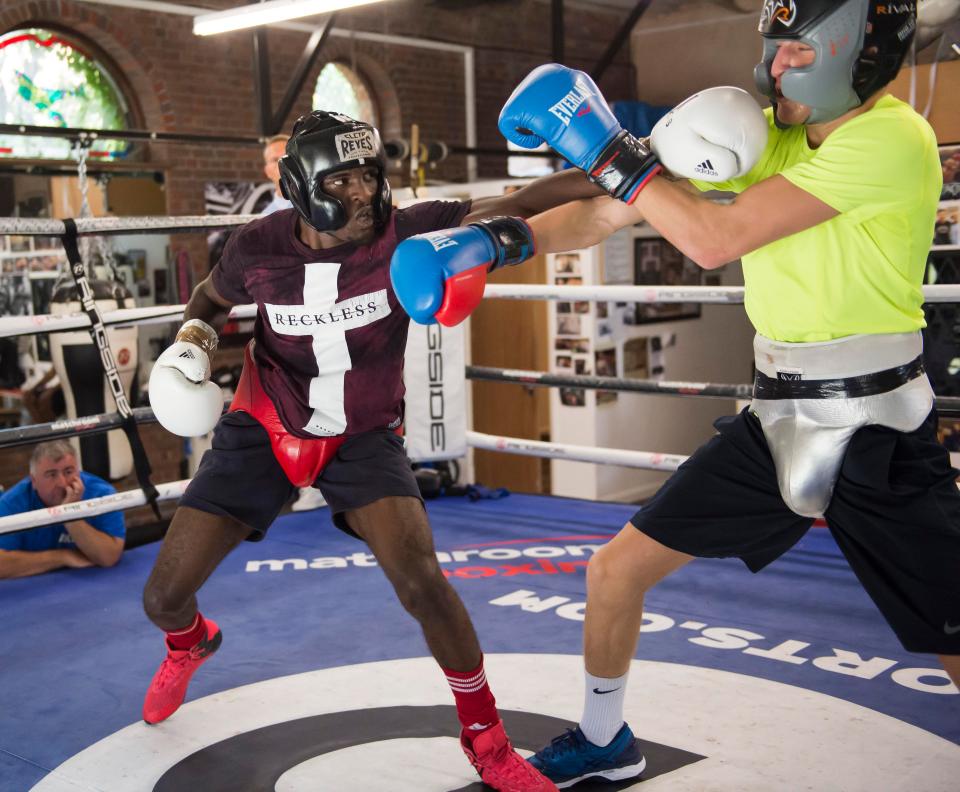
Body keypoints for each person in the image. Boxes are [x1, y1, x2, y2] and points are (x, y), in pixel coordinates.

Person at [391, 0, 960, 786]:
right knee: (614, 571)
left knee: (953, 626)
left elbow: (709, 238)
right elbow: (603, 214)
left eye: (795, 53)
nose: (773, 69)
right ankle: (604, 739)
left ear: (855, 52)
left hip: (877, 428)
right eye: (773, 50)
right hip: (778, 417)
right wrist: (491, 244)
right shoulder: (770, 135)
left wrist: (605, 142)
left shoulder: (893, 139)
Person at [143, 109, 604, 791]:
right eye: (343, 180)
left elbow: (520, 201)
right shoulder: (258, 246)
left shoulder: (411, 230)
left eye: (368, 176)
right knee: (162, 596)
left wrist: (627, 162)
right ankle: (192, 643)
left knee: (424, 584)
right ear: (301, 186)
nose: (362, 194)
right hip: (266, 425)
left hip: (364, 436)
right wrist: (191, 346)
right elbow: (210, 301)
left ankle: (488, 741)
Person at [261, 131, 323, 512]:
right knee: (289, 401)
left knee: (324, 395)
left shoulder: (320, 205)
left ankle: (320, 480)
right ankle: (303, 479)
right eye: (270, 159)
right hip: (284, 318)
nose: (275, 165)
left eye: (282, 156)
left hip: (321, 312)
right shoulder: (268, 214)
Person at [0, 439, 125, 579]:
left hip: (90, 586)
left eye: (68, 472)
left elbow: (109, 557)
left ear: (78, 472)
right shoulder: (12, 503)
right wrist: (62, 557)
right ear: (34, 481)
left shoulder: (101, 494)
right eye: (51, 474)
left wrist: (71, 517)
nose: (62, 483)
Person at [260, 133, 293, 216]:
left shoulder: (318, 205)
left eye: (286, 157)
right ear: (267, 171)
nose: (282, 163)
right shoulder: (265, 218)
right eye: (275, 160)